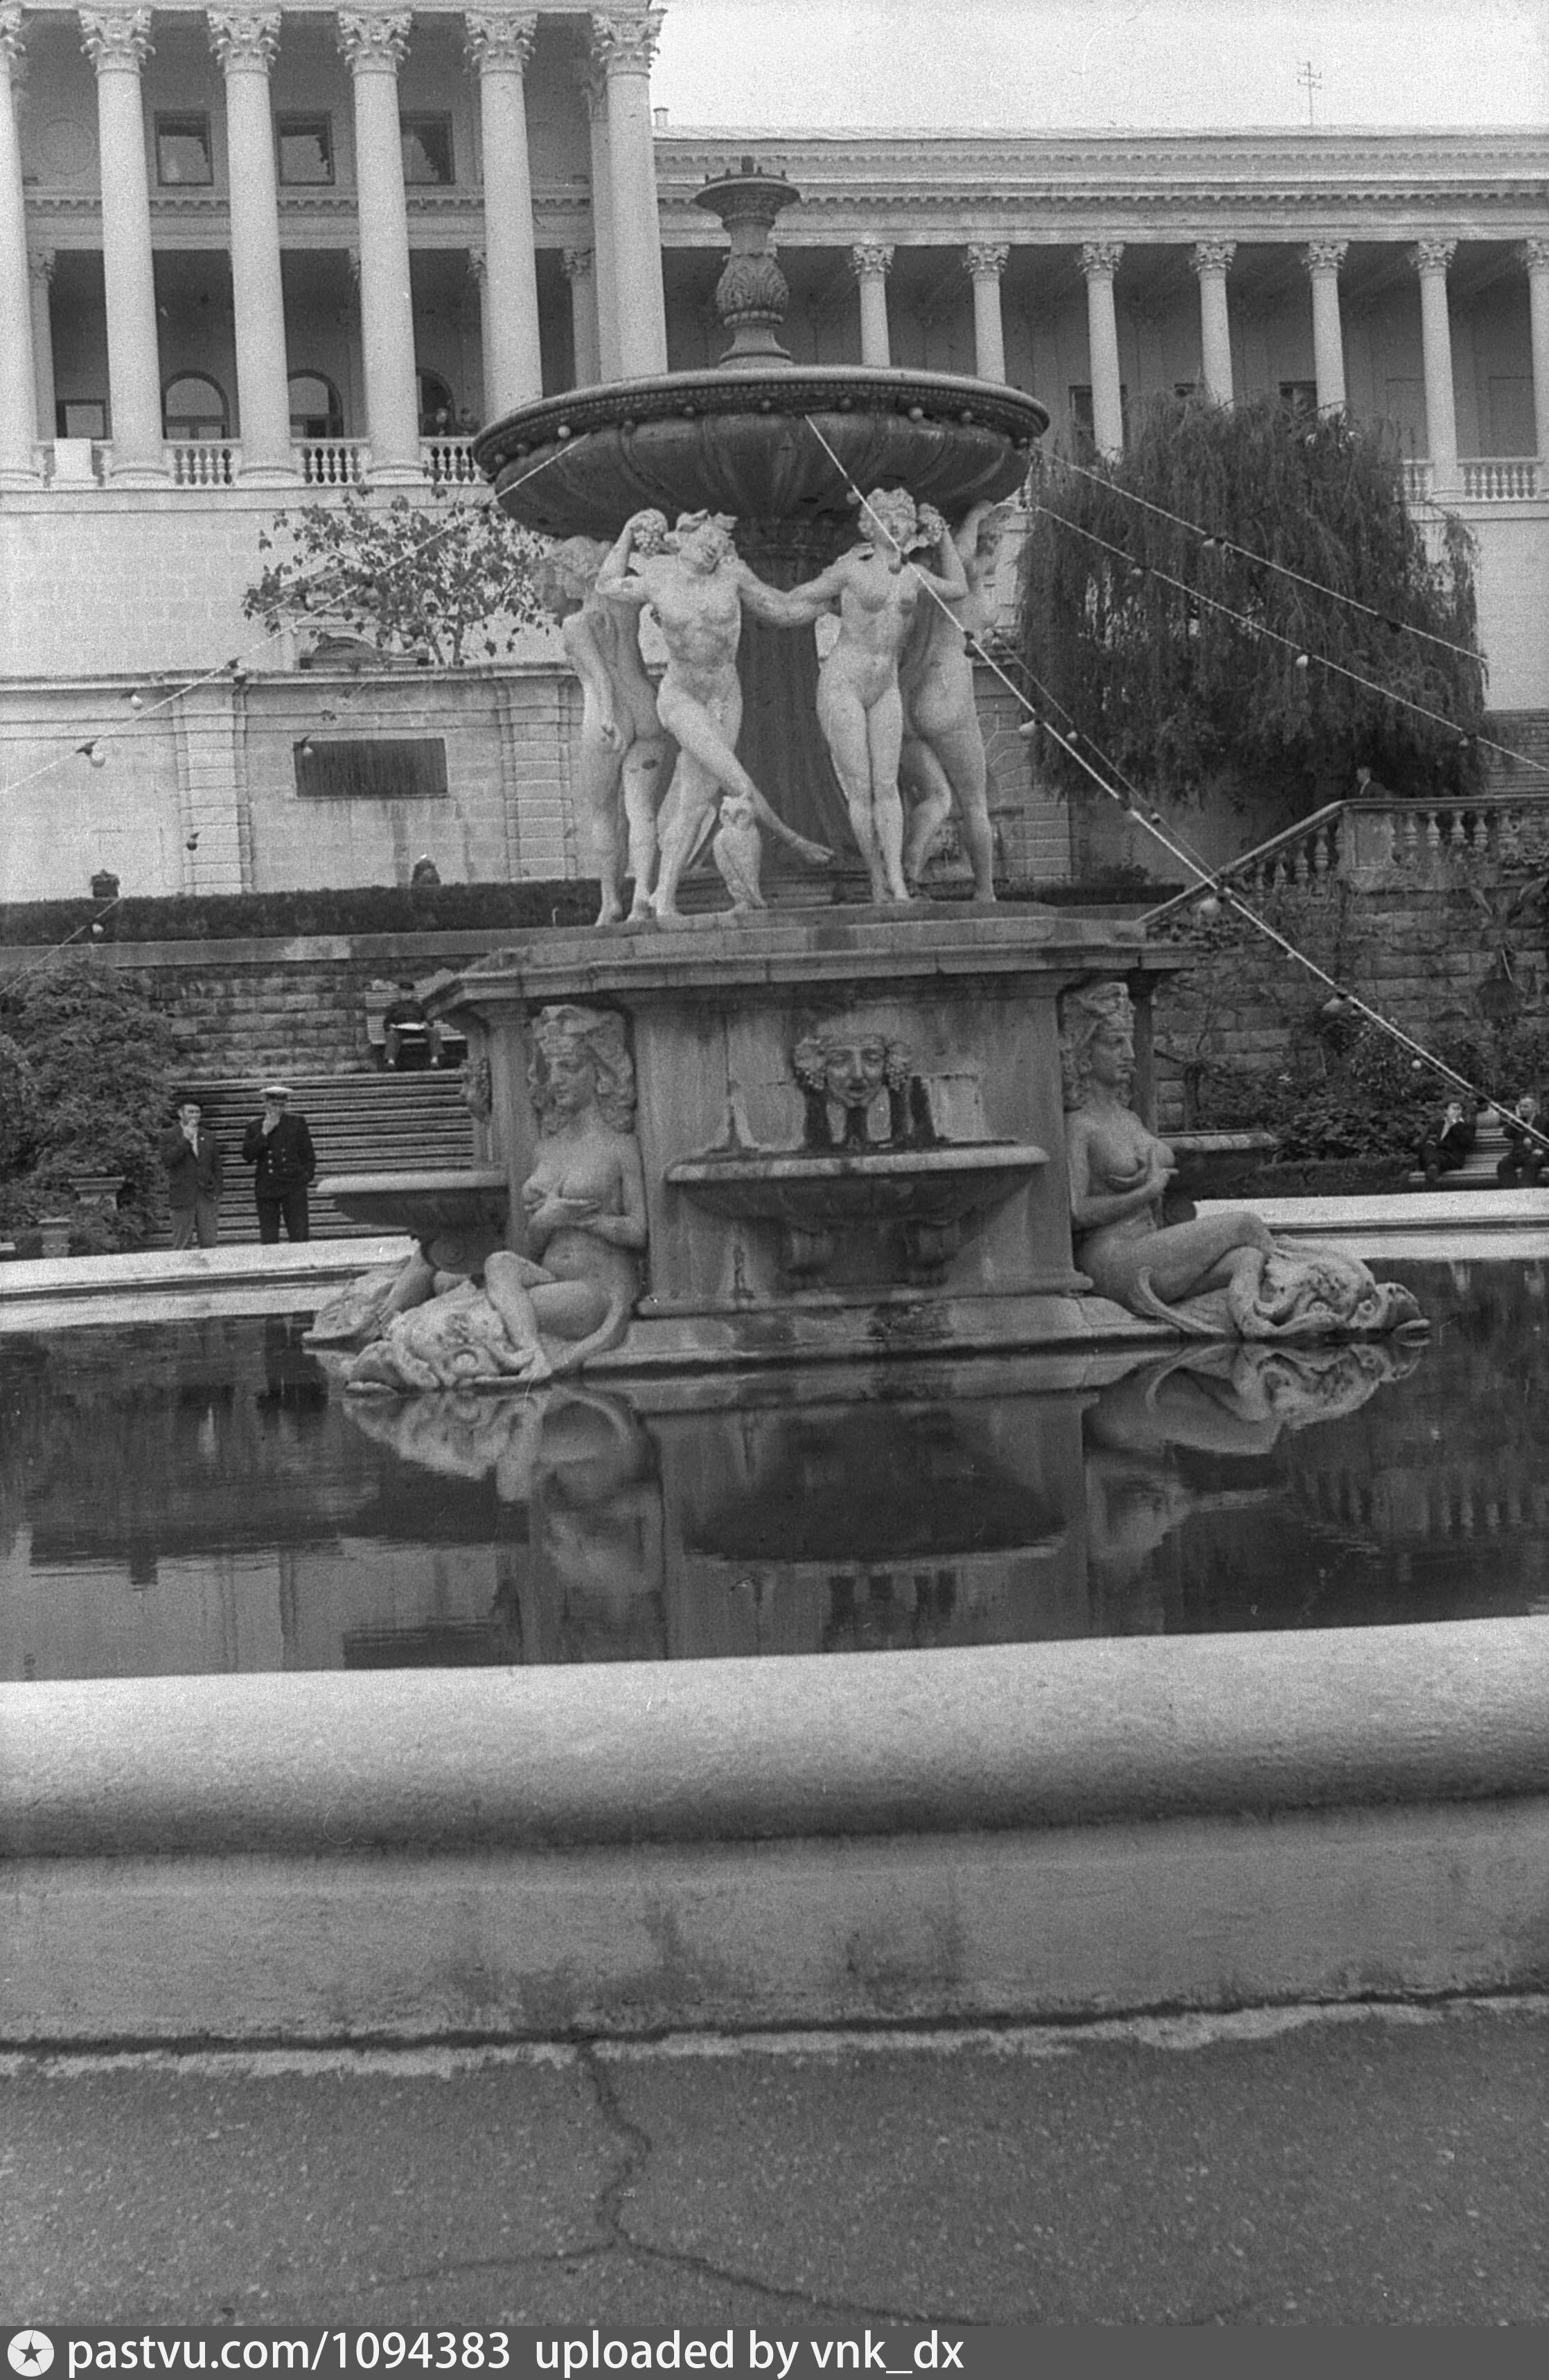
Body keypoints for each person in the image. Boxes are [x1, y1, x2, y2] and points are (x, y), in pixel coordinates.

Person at [595, 509, 832, 919]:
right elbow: (606, 584)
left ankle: (662, 900)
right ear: (682, 539)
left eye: (720, 545)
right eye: (706, 539)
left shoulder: (732, 576)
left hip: (724, 696)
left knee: (696, 803)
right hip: (681, 698)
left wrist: (829, 603)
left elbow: (780, 608)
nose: (713, 549)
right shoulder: (658, 579)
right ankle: (793, 839)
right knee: (735, 779)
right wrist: (627, 533)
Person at [786, 487, 971, 904]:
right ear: (870, 525)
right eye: (887, 518)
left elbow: (958, 587)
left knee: (886, 785)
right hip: (845, 682)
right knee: (862, 788)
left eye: (903, 519)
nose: (896, 525)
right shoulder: (851, 569)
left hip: (885, 685)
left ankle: (897, 880)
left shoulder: (913, 575)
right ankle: (875, 877)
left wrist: (942, 536)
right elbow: (798, 596)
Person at [535, 532, 671, 925]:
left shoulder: (576, 623)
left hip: (605, 717)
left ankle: (610, 901)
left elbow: (600, 677)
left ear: (580, 573)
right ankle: (642, 896)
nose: (561, 583)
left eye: (564, 573)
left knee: (602, 812)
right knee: (642, 811)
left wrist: (610, 717)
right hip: (646, 706)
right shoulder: (626, 604)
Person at [899, 498, 1006, 902]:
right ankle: (985, 891)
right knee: (974, 801)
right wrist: (975, 514)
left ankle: (908, 872)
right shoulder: (963, 576)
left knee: (936, 797)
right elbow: (962, 561)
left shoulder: (918, 576)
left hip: (909, 693)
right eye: (990, 538)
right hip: (948, 690)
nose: (994, 545)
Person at [242, 1084, 317, 1243]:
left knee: (299, 1233)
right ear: (265, 1103)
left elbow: (308, 1154)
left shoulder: (296, 1122)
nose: (278, 1109)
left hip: (293, 1184)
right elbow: (247, 1156)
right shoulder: (255, 1126)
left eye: (282, 1105)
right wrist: (264, 1133)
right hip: (268, 1186)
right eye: (274, 1104)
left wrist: (305, 1177)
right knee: (269, 1235)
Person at [157, 1097, 223, 1249]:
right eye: (190, 1112)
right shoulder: (169, 1136)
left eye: (197, 1112)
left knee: (209, 1242)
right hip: (182, 1194)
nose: (194, 1115)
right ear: (181, 1114)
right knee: (182, 1242)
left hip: (206, 1195)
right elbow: (168, 1160)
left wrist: (217, 1189)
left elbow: (216, 1165)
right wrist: (185, 1141)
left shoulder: (208, 1136)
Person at [1415, 1097, 1477, 1188]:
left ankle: (1433, 1170)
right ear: (1446, 1111)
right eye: (1454, 1108)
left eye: (1459, 1109)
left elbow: (1466, 1143)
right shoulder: (1436, 1125)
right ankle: (1433, 1169)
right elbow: (1426, 1140)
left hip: (1452, 1157)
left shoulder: (1467, 1127)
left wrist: (1455, 1125)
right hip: (1434, 1154)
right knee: (1428, 1147)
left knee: (1436, 1157)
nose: (1457, 1112)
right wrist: (1430, 1143)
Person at [1495, 1092, 1546, 1188]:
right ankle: (1510, 1190)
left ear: (1534, 1108)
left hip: (1537, 1154)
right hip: (1520, 1154)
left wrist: (1542, 1150)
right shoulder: (1519, 1122)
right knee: (1504, 1163)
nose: (1522, 1109)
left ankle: (1525, 1189)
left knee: (1532, 1163)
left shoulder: (1544, 1122)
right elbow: (1507, 1134)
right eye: (1520, 1107)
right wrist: (1516, 1120)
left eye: (1526, 1107)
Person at [381, 981, 432, 1071]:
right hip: (400, 1031)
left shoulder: (418, 1006)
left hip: (418, 1031)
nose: (406, 994)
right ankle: (391, 1062)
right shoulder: (394, 1006)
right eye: (403, 992)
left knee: (434, 1031)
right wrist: (390, 1026)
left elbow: (429, 1019)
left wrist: (426, 1023)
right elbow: (386, 1023)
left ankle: (435, 1060)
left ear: (412, 994)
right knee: (391, 1035)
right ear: (400, 993)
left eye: (408, 992)